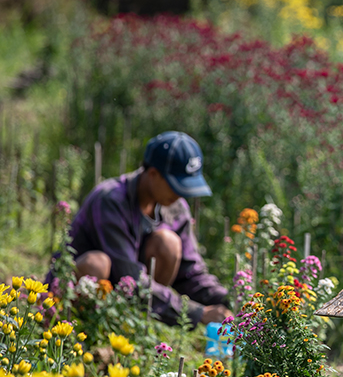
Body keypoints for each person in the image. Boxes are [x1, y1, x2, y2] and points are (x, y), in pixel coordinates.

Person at [50, 131, 230, 327]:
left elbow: (190, 272)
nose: (181, 195)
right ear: (153, 174)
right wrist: (197, 313)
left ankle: (136, 327)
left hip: (123, 299)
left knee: (168, 244)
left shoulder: (175, 207)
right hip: (78, 290)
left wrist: (230, 300)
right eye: (176, 186)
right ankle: (77, 328)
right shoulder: (111, 200)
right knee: (97, 265)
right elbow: (129, 278)